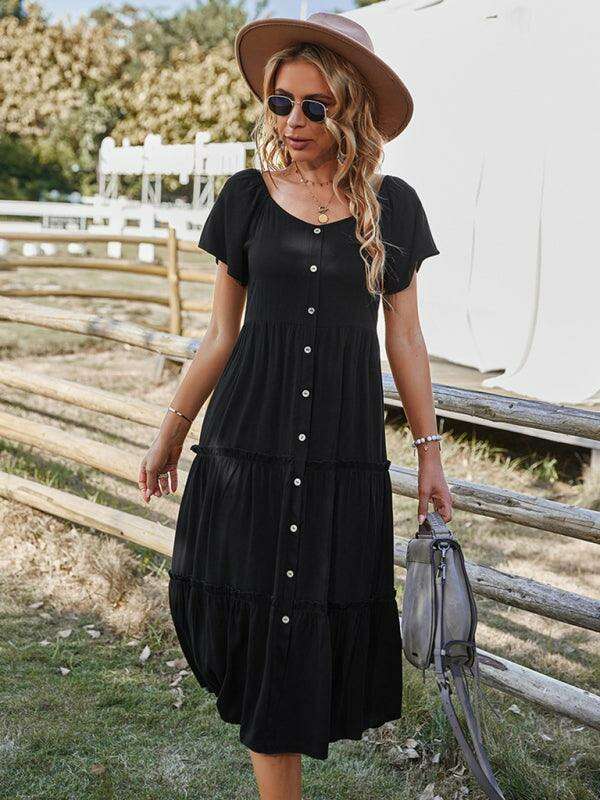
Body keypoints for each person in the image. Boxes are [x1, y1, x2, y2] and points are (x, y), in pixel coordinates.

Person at [138, 11, 453, 800]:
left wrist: (430, 453)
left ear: (351, 108)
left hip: (341, 454)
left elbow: (406, 338)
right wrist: (171, 431)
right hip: (247, 444)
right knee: (257, 630)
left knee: (306, 619)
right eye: (281, 102)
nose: (293, 120)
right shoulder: (245, 198)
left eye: (315, 105)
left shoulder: (394, 207)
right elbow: (220, 334)